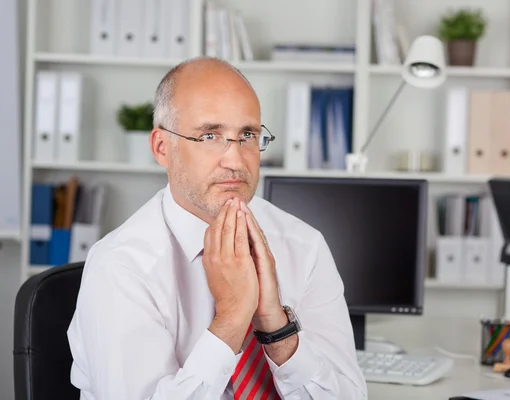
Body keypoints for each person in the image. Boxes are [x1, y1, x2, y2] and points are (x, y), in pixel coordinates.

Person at [66, 57, 367, 400]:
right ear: (162, 148)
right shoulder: (121, 266)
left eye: (247, 135)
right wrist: (233, 316)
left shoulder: (303, 245)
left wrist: (277, 328)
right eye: (210, 135)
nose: (236, 160)